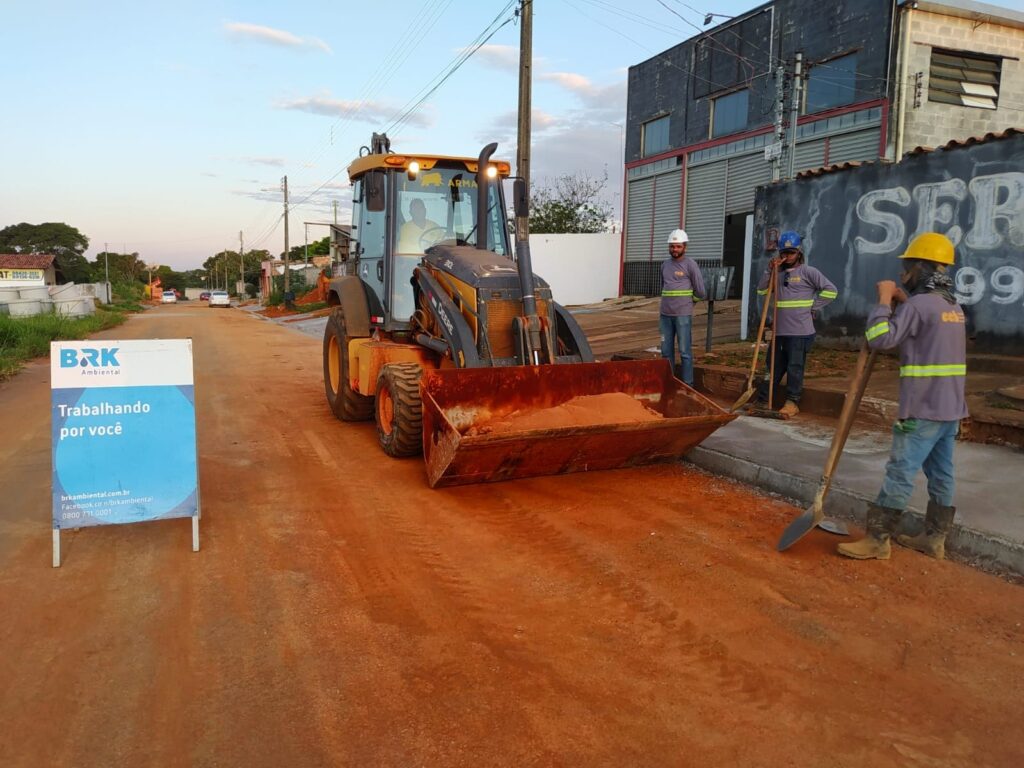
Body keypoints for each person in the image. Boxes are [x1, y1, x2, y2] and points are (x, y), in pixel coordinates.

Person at [838, 232, 967, 561]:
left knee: (900, 471)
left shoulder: (922, 306)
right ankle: (935, 539)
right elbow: (923, 324)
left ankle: (878, 539)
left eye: (907, 267)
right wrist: (902, 299)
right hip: (950, 409)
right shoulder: (952, 307)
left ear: (921, 267)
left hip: (921, 409)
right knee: (942, 473)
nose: (901, 273)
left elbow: (880, 338)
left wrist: (883, 300)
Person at [753, 231, 837, 417]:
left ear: (799, 252)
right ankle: (763, 399)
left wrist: (813, 307)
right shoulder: (777, 273)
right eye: (783, 253)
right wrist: (769, 271)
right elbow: (761, 292)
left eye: (790, 252)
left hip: (800, 331)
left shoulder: (809, 272)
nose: (786, 256)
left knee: (794, 367)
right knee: (772, 367)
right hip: (780, 331)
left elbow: (831, 290)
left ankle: (792, 401)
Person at [659, 229, 706, 386]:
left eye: (678, 246)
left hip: (682, 315)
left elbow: (700, 290)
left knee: (685, 352)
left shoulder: (690, 265)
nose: (675, 250)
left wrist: (690, 303)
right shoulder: (665, 265)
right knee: (666, 352)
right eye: (672, 246)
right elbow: (665, 286)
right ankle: (669, 383)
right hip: (665, 315)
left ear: (684, 247)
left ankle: (688, 384)